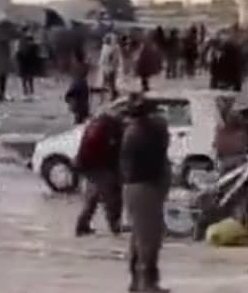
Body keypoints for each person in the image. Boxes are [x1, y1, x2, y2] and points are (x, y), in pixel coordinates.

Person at [120, 94, 171, 293]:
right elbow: (158, 158)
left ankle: (138, 281)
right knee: (148, 239)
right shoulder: (143, 133)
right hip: (144, 187)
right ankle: (146, 283)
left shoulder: (134, 131)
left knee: (140, 236)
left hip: (138, 187)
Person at [74, 108, 125, 236]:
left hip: (87, 166)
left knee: (93, 196)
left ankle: (82, 225)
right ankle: (115, 226)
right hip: (100, 167)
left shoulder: (95, 124)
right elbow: (116, 152)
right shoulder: (113, 128)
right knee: (112, 197)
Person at [65, 61, 92, 126]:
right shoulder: (79, 82)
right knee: (81, 118)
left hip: (81, 105)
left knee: (82, 118)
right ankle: (79, 121)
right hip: (79, 105)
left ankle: (79, 121)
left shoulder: (81, 81)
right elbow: (70, 92)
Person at [16, 32, 41, 98]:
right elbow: (37, 57)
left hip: (24, 66)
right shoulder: (35, 47)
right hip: (30, 65)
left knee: (24, 79)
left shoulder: (22, 48)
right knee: (30, 79)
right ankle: (31, 90)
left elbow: (18, 57)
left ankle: (25, 90)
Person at [98, 34, 122, 102]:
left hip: (109, 68)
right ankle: (108, 96)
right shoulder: (109, 47)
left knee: (109, 82)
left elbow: (108, 59)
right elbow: (104, 58)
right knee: (109, 82)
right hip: (108, 68)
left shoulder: (111, 48)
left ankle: (110, 96)